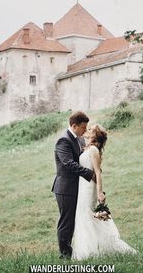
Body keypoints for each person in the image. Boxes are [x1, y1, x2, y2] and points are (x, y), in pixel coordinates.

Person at [72, 124, 137, 260]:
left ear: (95, 136)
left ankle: (94, 250)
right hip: (83, 187)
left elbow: (98, 172)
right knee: (85, 217)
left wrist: (100, 192)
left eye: (91, 130)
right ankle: (89, 250)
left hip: (90, 189)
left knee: (90, 217)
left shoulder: (94, 150)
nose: (87, 130)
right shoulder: (87, 148)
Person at [51, 111, 97, 259]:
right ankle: (64, 255)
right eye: (83, 127)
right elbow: (69, 164)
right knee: (66, 222)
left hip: (77, 187)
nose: (85, 130)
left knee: (74, 220)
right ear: (74, 125)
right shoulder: (63, 141)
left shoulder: (80, 139)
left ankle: (73, 251)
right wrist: (90, 174)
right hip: (65, 189)